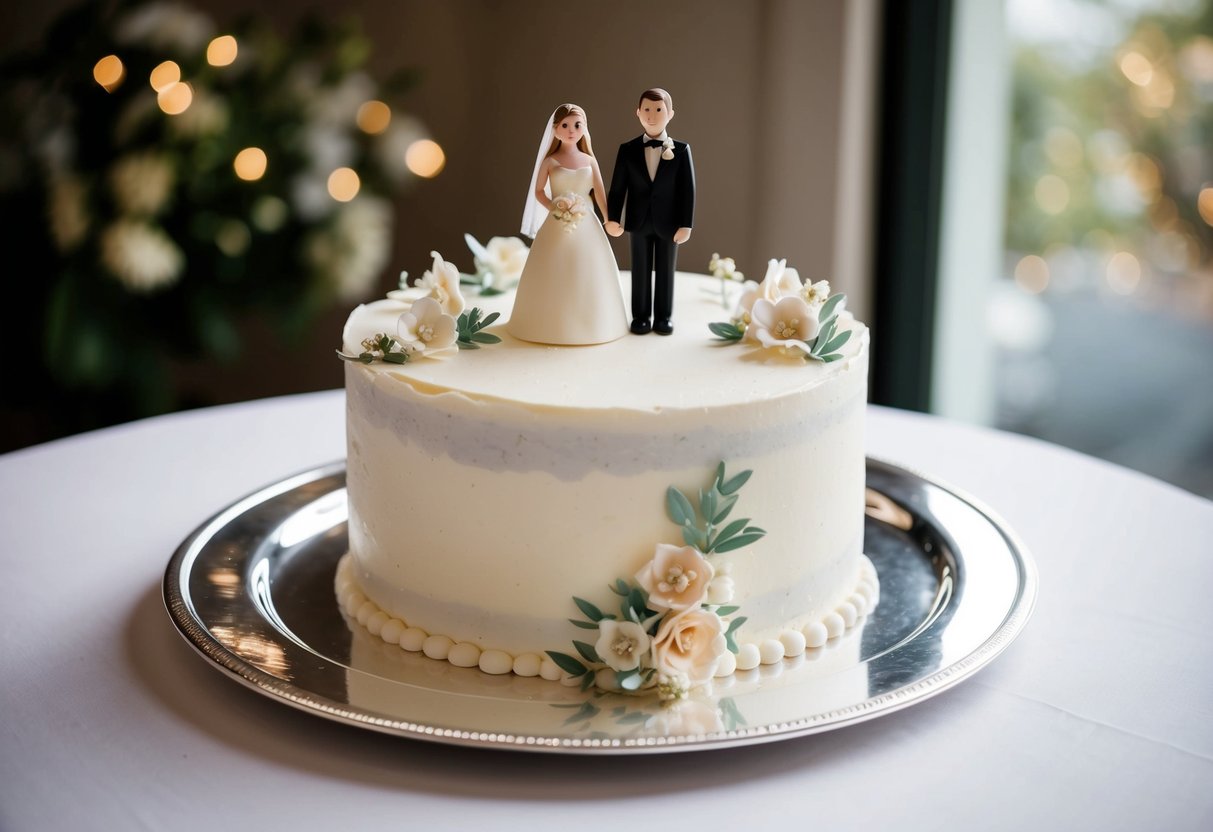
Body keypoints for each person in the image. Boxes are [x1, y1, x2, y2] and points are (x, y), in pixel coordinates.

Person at [508, 103, 629, 345]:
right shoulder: (551, 162)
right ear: (555, 129)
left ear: (584, 128)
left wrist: (608, 219)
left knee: (588, 268)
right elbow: (539, 190)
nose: (571, 130)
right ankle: (548, 322)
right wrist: (555, 206)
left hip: (587, 225)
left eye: (577, 125)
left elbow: (599, 193)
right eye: (565, 125)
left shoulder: (589, 161)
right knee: (554, 267)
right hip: (557, 223)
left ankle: (593, 323)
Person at [605, 88, 696, 335]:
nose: (652, 115)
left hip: (670, 223)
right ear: (637, 113)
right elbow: (617, 188)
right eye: (647, 109)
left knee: (666, 271)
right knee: (640, 271)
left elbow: (688, 190)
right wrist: (613, 218)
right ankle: (641, 316)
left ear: (671, 114)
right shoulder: (627, 149)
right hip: (638, 221)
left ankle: (664, 317)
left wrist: (686, 224)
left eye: (659, 110)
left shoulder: (681, 150)